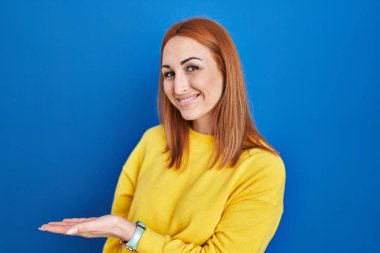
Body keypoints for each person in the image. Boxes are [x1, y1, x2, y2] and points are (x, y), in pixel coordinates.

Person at [39, 17, 286, 253]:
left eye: (192, 68)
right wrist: (121, 231)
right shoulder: (153, 141)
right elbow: (115, 244)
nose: (178, 87)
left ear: (226, 70)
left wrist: (129, 233)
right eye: (169, 73)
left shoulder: (262, 168)